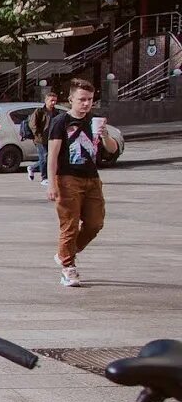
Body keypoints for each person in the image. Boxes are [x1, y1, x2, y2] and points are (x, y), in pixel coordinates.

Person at [46, 78, 117, 288]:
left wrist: (105, 136)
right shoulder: (60, 122)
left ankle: (64, 253)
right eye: (82, 99)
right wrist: (52, 184)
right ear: (71, 99)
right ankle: (68, 268)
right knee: (70, 225)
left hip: (92, 178)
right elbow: (52, 155)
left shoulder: (94, 120)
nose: (86, 104)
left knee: (95, 223)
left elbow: (112, 150)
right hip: (68, 178)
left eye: (90, 99)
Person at [25, 87, 59, 186]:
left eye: (55, 101)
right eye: (51, 100)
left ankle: (32, 168)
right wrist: (38, 134)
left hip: (52, 138)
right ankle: (44, 178)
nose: (53, 103)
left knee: (50, 158)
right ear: (46, 100)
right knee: (45, 157)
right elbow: (32, 124)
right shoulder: (39, 111)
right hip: (40, 139)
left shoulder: (56, 112)